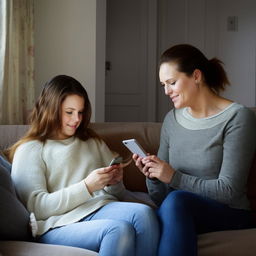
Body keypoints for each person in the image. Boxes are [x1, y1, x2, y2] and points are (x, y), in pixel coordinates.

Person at [8, 75, 159, 256]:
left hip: (99, 208)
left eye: (80, 112)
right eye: (69, 112)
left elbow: (116, 195)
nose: (76, 119)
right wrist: (87, 187)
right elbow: (36, 207)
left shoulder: (92, 141)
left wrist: (115, 183)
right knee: (118, 230)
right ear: (51, 109)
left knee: (144, 214)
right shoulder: (30, 149)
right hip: (58, 224)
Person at [133, 44, 256, 256]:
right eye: (163, 85)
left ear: (196, 76)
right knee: (169, 204)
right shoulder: (171, 120)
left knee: (177, 200)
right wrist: (153, 176)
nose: (166, 91)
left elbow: (229, 191)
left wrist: (173, 177)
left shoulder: (238, 117)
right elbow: (163, 199)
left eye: (172, 82)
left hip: (230, 212)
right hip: (180, 209)